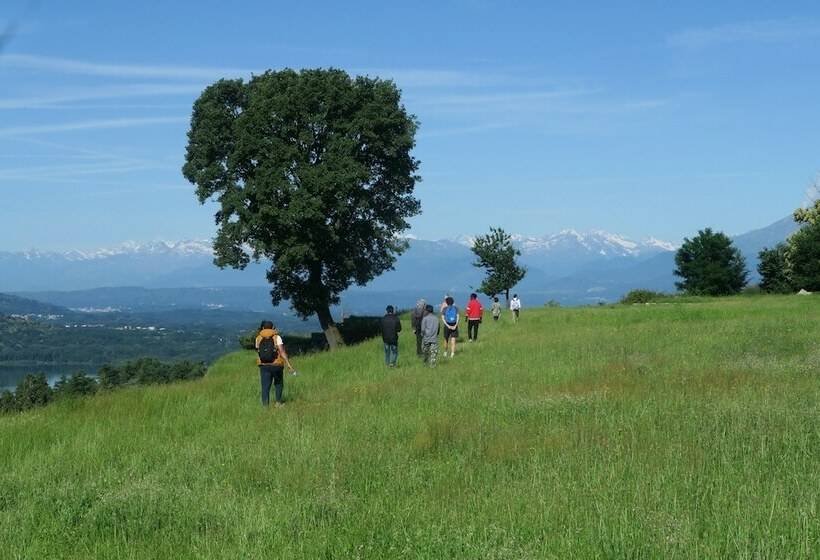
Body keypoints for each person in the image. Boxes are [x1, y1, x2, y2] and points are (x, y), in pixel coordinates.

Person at [255, 320, 295, 407]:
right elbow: (282, 352)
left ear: (263, 328)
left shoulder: (258, 338)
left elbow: (258, 351)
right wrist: (288, 364)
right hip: (277, 365)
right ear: (273, 327)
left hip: (264, 365)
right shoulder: (277, 337)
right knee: (278, 383)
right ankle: (278, 403)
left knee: (265, 386)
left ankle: (265, 407)